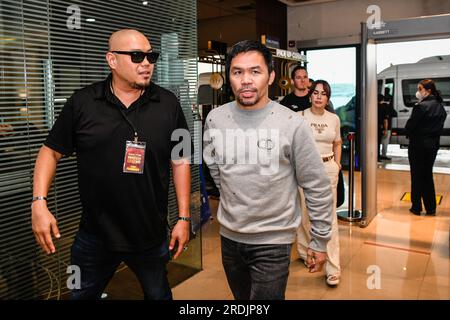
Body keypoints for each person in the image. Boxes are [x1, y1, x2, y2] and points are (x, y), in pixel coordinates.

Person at [31, 29, 191, 300]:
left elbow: (181, 159)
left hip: (149, 237)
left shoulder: (169, 104)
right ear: (112, 60)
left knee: (159, 296)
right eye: (137, 56)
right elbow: (50, 151)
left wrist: (184, 217)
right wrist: (39, 202)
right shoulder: (83, 102)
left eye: (151, 56)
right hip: (94, 236)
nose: (147, 64)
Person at [203, 40, 333, 300]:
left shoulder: (292, 124)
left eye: (255, 71)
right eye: (238, 72)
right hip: (230, 237)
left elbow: (316, 185)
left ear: (271, 76)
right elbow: (216, 168)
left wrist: (320, 240)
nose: (246, 80)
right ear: (229, 77)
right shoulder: (215, 119)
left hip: (273, 241)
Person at [296, 80, 342, 286]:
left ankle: (333, 268)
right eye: (315, 92)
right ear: (310, 95)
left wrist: (338, 164)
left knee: (328, 218)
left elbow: (337, 142)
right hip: (305, 170)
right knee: (305, 213)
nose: (319, 96)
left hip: (328, 168)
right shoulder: (299, 117)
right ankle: (308, 251)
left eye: (323, 94)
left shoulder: (334, 118)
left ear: (328, 98)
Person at [405, 79, 447, 216]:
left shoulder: (421, 107)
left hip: (418, 146)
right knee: (427, 175)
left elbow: (410, 127)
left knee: (416, 176)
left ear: (428, 91)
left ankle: (416, 207)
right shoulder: (440, 106)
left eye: (420, 88)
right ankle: (431, 207)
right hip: (432, 146)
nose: (418, 91)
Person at [380, 87, 397, 160]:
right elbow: (395, 114)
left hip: (379, 127)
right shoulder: (388, 106)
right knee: (385, 142)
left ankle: (378, 155)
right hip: (387, 127)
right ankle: (383, 155)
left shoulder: (378, 106)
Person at [377, 93, 388, 162]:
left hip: (372, 128)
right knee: (378, 143)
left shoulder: (372, 107)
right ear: (382, 99)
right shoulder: (383, 107)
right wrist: (385, 129)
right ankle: (377, 157)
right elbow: (385, 120)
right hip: (379, 127)